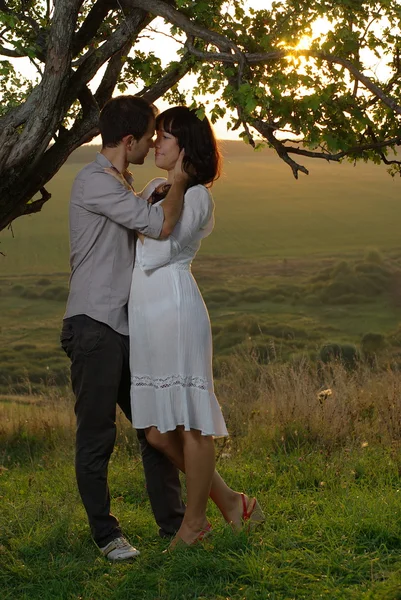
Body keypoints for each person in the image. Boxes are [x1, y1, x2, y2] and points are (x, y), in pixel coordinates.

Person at [128, 106, 265, 548]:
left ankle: (194, 523)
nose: (157, 144)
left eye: (166, 137)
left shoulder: (197, 195)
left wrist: (183, 183)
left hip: (177, 312)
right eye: (158, 136)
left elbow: (158, 250)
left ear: (186, 147)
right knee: (157, 433)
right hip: (148, 317)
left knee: (191, 426)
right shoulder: (154, 187)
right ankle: (231, 501)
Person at [60, 96, 188, 561]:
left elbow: (134, 214)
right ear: (129, 140)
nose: (155, 142)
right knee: (97, 436)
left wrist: (150, 189)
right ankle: (106, 534)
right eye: (151, 135)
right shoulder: (93, 181)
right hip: (94, 326)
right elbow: (156, 226)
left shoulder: (118, 183)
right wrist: (176, 181)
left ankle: (174, 526)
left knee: (154, 425)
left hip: (121, 328)